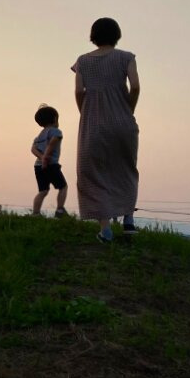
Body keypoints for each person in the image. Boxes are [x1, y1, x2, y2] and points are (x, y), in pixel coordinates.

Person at [72, 17, 140, 243]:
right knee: (126, 169)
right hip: (123, 122)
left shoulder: (82, 61)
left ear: (93, 36)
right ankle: (128, 220)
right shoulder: (126, 57)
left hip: (94, 123)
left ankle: (105, 229)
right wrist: (127, 109)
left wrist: (86, 112)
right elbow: (136, 86)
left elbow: (79, 91)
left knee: (92, 172)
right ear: (117, 34)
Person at [31, 104, 69, 217]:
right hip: (50, 164)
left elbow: (33, 149)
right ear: (55, 119)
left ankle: (35, 213)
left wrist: (41, 158)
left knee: (43, 191)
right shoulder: (56, 132)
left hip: (38, 166)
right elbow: (53, 143)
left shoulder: (38, 137)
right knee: (63, 187)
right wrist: (46, 158)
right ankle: (60, 210)